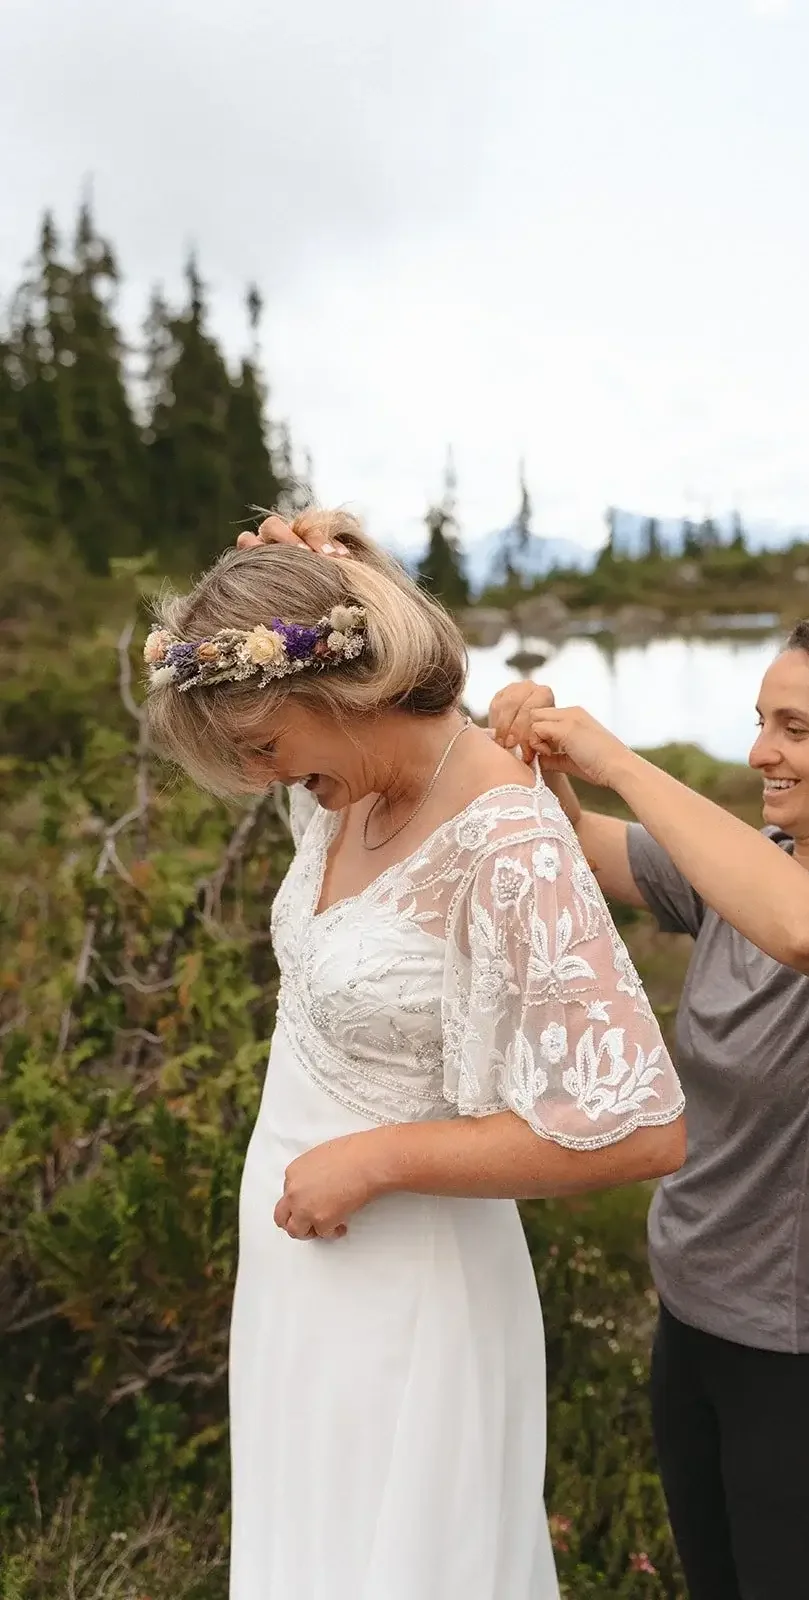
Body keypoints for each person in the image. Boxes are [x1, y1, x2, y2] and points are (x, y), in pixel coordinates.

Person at [141, 510, 686, 1600]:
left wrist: (378, 1159)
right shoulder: (345, 786)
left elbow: (639, 1126)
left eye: (264, 745)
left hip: (411, 1290)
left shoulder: (507, 834)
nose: (261, 776)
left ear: (335, 689)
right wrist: (320, 554)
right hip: (301, 1286)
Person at [488, 615, 809, 1600]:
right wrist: (534, 744)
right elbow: (575, 843)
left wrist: (617, 758)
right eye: (758, 721)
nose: (760, 751)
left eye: (792, 729)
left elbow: (806, 928)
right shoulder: (739, 864)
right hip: (694, 1336)